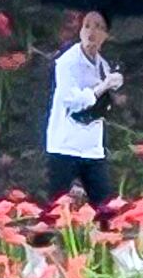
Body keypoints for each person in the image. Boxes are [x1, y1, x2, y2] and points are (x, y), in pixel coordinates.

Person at [44, 11, 123, 211]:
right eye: (87, 26)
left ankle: (107, 240)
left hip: (92, 147)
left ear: (106, 35)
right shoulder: (66, 63)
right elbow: (73, 100)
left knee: (104, 207)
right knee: (56, 208)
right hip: (65, 145)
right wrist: (102, 87)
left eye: (98, 27)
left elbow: (104, 107)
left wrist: (114, 85)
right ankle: (42, 242)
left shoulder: (103, 65)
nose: (91, 32)